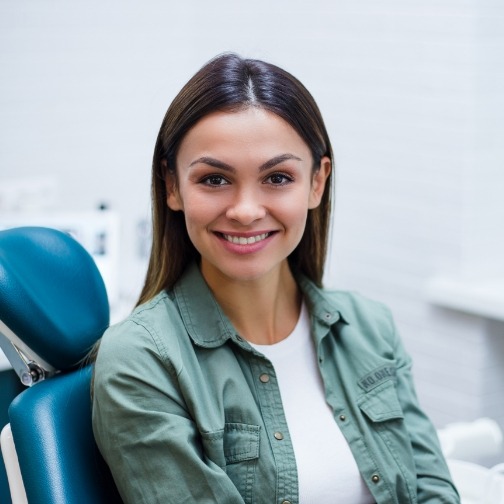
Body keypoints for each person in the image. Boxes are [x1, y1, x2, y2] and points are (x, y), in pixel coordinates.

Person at [92, 53, 460, 504]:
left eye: (278, 177)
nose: (246, 210)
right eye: (213, 179)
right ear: (172, 186)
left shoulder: (370, 326)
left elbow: (433, 491)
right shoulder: (140, 360)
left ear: (317, 182)